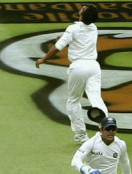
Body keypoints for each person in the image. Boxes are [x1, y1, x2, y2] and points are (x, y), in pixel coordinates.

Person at [35, 4, 108, 143]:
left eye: (85, 8)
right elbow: (79, 40)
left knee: (73, 100)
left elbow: (58, 47)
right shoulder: (93, 28)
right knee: (96, 99)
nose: (83, 6)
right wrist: (65, 37)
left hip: (78, 67)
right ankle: (107, 129)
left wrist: (44, 59)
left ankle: (81, 134)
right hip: (93, 67)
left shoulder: (72, 29)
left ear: (83, 14)